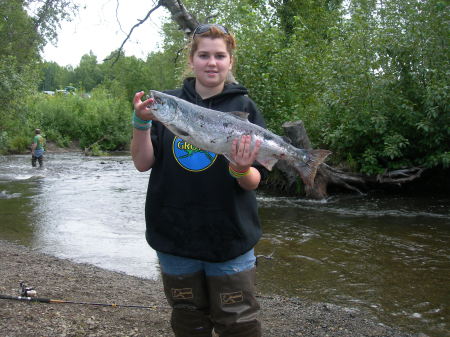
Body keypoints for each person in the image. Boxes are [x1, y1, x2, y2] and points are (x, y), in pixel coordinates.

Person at [132, 23, 266, 337]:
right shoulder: (167, 104)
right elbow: (142, 163)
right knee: (188, 320)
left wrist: (241, 168)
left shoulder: (244, 108)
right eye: (204, 55)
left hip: (230, 236)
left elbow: (253, 180)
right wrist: (140, 122)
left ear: (230, 62)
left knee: (239, 324)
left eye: (219, 56)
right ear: (192, 60)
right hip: (175, 235)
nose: (211, 62)